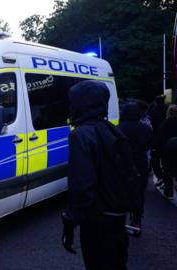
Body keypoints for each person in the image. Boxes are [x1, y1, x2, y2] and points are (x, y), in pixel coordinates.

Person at [62, 80, 130, 270]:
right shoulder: (111, 129)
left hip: (97, 220)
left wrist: (70, 220)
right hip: (117, 216)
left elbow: (82, 186)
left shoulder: (81, 135)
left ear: (80, 104)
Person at [118, 102, 152, 235]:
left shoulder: (118, 128)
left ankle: (120, 219)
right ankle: (137, 220)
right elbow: (150, 144)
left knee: (121, 191)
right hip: (141, 163)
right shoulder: (146, 128)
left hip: (123, 164)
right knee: (139, 193)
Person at [155, 104, 177, 199]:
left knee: (168, 172)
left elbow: (160, 138)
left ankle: (169, 193)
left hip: (167, 152)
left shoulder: (165, 123)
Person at [148, 96, 167, 181]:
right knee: (166, 158)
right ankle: (166, 174)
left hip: (156, 137)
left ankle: (160, 175)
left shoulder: (153, 111)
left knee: (155, 158)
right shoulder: (167, 109)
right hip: (167, 137)